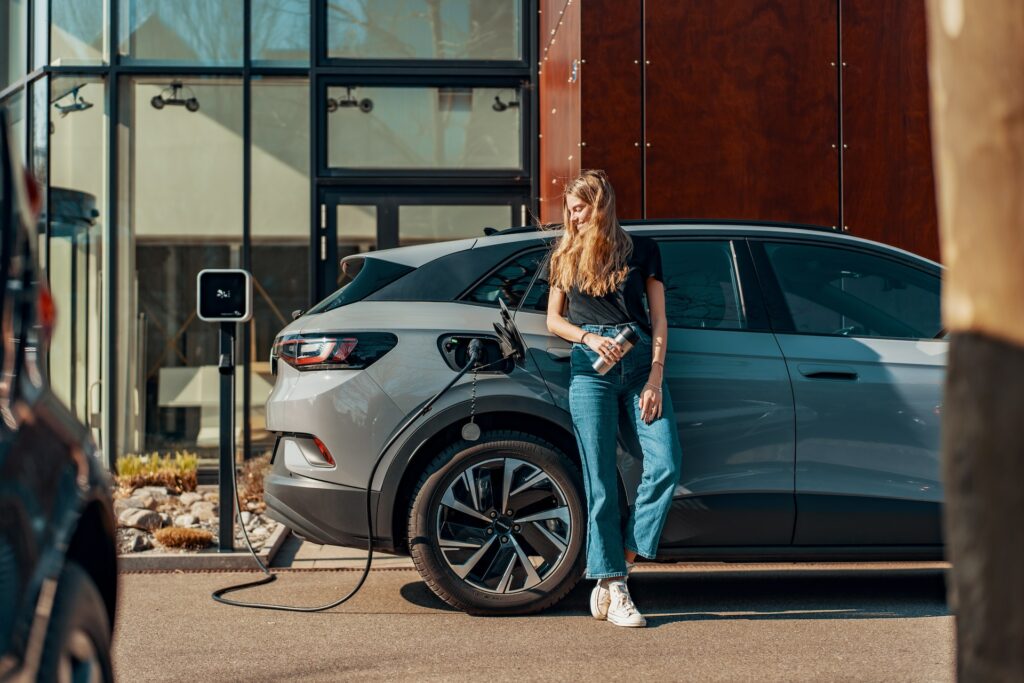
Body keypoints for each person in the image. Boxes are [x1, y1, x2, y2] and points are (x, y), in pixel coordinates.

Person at [544, 170, 682, 628]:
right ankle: (613, 584)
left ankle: (619, 560)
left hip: (640, 363)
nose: (572, 215)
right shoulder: (565, 252)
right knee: (600, 479)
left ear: (600, 205)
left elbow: (659, 320)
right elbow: (553, 321)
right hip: (591, 371)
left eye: (579, 207)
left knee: (665, 464)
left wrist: (656, 378)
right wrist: (587, 338)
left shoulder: (641, 249)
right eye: (570, 208)